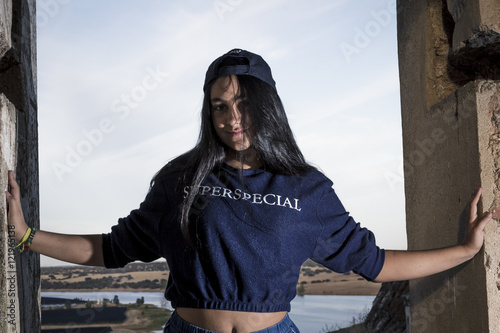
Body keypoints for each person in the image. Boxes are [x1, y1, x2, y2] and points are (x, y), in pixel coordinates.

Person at [6, 49, 492, 333]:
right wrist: (28, 236)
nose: (231, 119)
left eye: (242, 103)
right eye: (219, 107)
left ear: (268, 106)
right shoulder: (180, 180)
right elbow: (111, 249)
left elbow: (376, 264)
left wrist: (463, 250)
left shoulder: (307, 189)